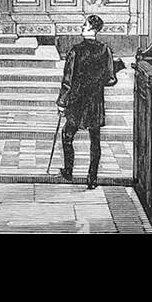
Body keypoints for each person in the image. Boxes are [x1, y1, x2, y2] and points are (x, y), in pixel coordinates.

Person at [56, 14, 119, 189]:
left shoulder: (76, 50)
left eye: (84, 25)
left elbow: (67, 80)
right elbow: (111, 79)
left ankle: (68, 171)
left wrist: (62, 102)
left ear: (92, 28)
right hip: (95, 101)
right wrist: (97, 81)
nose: (81, 28)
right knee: (95, 140)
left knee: (67, 135)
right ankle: (92, 179)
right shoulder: (105, 49)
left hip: (77, 100)